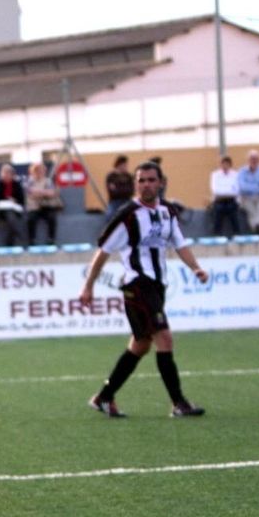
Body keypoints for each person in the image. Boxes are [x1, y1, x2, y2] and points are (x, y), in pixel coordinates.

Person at [80, 162, 209, 419]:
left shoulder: (167, 211)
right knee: (164, 338)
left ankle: (104, 397)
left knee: (140, 345)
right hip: (137, 285)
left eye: (151, 180)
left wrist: (196, 268)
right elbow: (103, 252)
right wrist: (88, 286)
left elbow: (180, 243)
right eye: (141, 180)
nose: (146, 184)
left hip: (157, 285)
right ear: (136, 184)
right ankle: (179, 403)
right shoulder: (128, 215)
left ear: (161, 183)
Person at [25, 162, 63, 245]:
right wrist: (44, 192)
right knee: (31, 219)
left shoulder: (48, 181)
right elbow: (31, 193)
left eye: (42, 170)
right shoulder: (29, 181)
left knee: (52, 217)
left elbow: (52, 193)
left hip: (46, 206)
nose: (40, 172)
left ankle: (51, 239)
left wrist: (39, 191)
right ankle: (32, 240)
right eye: (38, 170)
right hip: (34, 207)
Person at [236, 150, 259, 236]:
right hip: (246, 197)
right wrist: (257, 186)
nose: (254, 160)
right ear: (248, 160)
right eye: (252, 158)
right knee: (251, 209)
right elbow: (242, 187)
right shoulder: (242, 171)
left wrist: (251, 187)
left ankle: (256, 227)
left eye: (256, 159)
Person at [0, 164, 26, 246]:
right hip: (1, 210)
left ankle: (10, 242)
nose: (7, 175)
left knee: (11, 216)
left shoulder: (17, 185)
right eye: (5, 173)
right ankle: (20, 237)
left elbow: (22, 200)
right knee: (10, 216)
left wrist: (14, 200)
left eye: (9, 173)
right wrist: (5, 200)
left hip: (15, 209)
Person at [209, 155, 242, 237]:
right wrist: (228, 192)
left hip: (232, 200)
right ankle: (216, 234)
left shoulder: (235, 175)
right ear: (220, 164)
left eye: (227, 164)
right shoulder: (215, 175)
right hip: (219, 200)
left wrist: (225, 192)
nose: (225, 166)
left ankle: (237, 234)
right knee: (218, 210)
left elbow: (237, 190)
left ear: (230, 165)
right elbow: (215, 190)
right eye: (223, 164)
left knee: (232, 211)